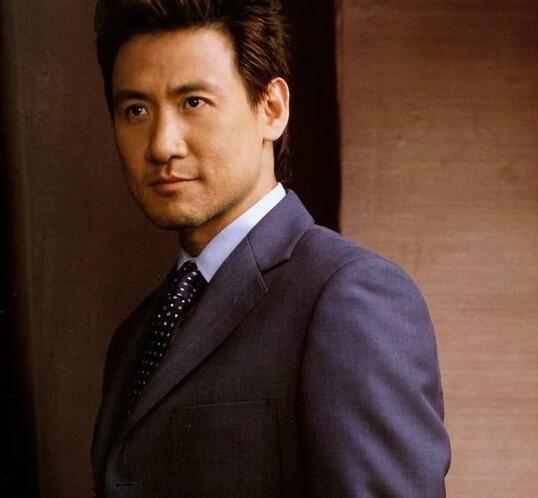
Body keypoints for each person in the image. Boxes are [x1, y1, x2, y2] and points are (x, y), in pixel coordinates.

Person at [91, 1, 451, 496]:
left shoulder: (347, 296)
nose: (161, 145)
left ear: (272, 108)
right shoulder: (136, 333)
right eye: (136, 110)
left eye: (193, 102)